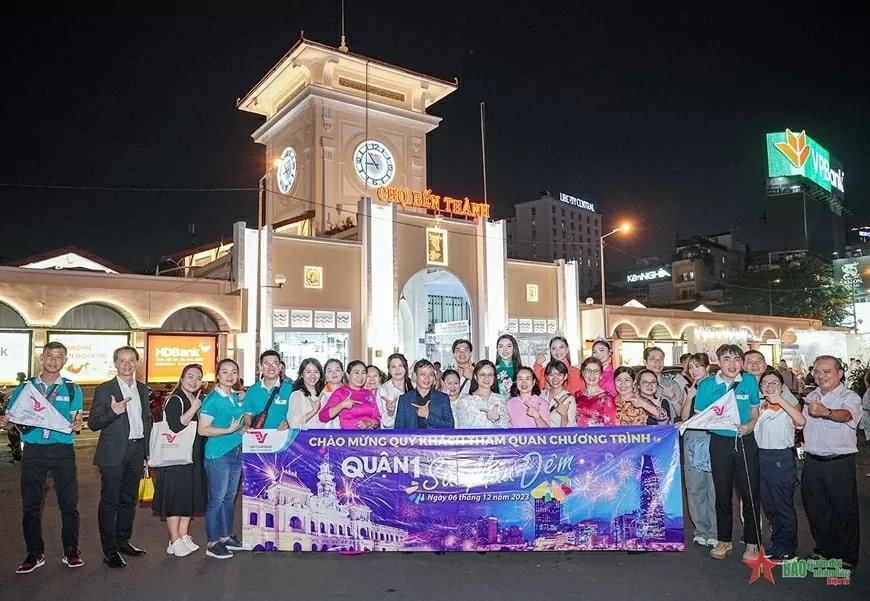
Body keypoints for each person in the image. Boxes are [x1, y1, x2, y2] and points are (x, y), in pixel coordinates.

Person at [1, 342, 84, 574]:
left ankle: (71, 551)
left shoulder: (71, 389)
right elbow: (10, 415)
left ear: (65, 361)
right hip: (34, 450)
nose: (54, 360)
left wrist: (77, 423)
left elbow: (76, 419)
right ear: (41, 358)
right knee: (31, 505)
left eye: (59, 356)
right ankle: (34, 554)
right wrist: (4, 421)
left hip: (62, 450)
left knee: (69, 504)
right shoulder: (26, 387)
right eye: (49, 355)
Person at [694, 344, 762, 562]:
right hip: (719, 443)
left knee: (749, 492)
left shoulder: (749, 381)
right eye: (726, 359)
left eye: (736, 359)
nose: (732, 364)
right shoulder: (706, 385)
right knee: (722, 493)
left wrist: (751, 424)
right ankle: (724, 540)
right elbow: (701, 415)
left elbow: (754, 408)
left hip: (744, 441)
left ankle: (753, 543)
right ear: (719, 361)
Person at [88, 346, 152, 569]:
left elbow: (147, 420)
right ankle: (110, 550)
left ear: (137, 363)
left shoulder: (142, 389)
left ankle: (123, 541)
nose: (127, 365)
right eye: (122, 361)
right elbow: (93, 423)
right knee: (110, 502)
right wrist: (113, 412)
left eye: (131, 360)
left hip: (136, 451)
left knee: (129, 500)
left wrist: (148, 451)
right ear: (115, 363)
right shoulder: (105, 389)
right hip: (113, 454)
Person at [801, 356, 862, 571]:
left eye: (827, 371)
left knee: (844, 511)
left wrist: (826, 412)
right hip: (812, 462)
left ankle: (847, 557)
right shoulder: (811, 396)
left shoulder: (849, 396)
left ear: (840, 373)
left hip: (838, 463)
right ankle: (825, 551)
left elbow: (847, 415)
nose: (821, 376)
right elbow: (801, 424)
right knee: (817, 510)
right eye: (817, 371)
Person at [151, 363, 207, 558]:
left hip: (191, 457)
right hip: (175, 458)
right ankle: (173, 539)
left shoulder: (197, 398)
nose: (194, 381)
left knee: (186, 497)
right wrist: (194, 409)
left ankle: (183, 535)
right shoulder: (176, 399)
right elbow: (176, 426)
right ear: (182, 379)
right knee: (175, 499)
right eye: (190, 376)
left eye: (198, 378)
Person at [755, 369, 805, 561]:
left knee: (783, 505)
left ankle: (788, 549)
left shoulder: (787, 406)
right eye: (765, 384)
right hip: (762, 457)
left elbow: (801, 422)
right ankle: (778, 544)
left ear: (782, 386)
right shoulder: (761, 406)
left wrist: (781, 401)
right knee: (770, 505)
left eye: (774, 383)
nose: (769, 387)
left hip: (780, 459)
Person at [198, 359, 246, 559]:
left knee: (229, 497)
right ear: (217, 375)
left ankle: (226, 536)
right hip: (218, 455)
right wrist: (228, 430)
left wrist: (242, 428)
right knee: (217, 498)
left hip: (236, 452)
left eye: (233, 372)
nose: (229, 375)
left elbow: (243, 418)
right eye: (225, 372)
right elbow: (202, 429)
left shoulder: (237, 396)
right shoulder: (212, 400)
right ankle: (213, 541)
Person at [318, 361, 381, 429]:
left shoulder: (369, 393)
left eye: (363, 373)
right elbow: (322, 416)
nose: (360, 376)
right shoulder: (341, 392)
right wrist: (342, 405)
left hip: (369, 438)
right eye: (356, 372)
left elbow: (378, 418)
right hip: (348, 437)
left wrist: (369, 422)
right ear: (348, 375)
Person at [395, 360, 454, 430]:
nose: (427, 378)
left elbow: (450, 426)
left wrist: (428, 416)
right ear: (415, 376)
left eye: (431, 374)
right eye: (423, 374)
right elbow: (398, 431)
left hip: (435, 440)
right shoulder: (404, 399)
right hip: (412, 440)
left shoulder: (443, 398)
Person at [243, 351, 293, 430]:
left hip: (284, 438)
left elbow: (297, 413)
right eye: (266, 364)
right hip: (258, 438)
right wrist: (246, 425)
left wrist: (289, 422)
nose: (271, 367)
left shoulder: (291, 389)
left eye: (274, 363)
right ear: (261, 367)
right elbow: (247, 415)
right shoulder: (252, 390)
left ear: (280, 367)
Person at [453, 360, 509, 429]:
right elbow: (461, 428)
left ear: (494, 378)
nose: (486, 378)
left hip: (497, 439)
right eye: (482, 375)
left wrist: (497, 418)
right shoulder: (465, 401)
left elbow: (507, 427)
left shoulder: (501, 399)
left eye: (490, 375)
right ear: (475, 377)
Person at [574, 357, 617, 427]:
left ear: (601, 375)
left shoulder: (607, 398)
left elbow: (611, 426)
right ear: (583, 373)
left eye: (596, 371)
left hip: (598, 437)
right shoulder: (577, 395)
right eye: (588, 370)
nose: (592, 374)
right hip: (578, 436)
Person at [286, 358, 327, 429]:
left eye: (316, 372)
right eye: (308, 372)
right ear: (302, 374)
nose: (313, 375)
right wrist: (313, 411)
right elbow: (293, 424)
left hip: (322, 438)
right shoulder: (297, 395)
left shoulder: (323, 394)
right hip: (304, 438)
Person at [644, 347, 685, 417]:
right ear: (645, 362)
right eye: (653, 359)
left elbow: (681, 414)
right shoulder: (637, 385)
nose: (658, 362)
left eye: (661, 359)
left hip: (668, 426)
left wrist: (672, 396)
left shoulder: (672, 384)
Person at [375, 354, 412, 429]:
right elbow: (385, 423)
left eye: (400, 366)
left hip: (413, 433)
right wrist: (390, 412)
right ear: (389, 370)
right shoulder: (383, 390)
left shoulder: (414, 386)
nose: (397, 370)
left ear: (406, 367)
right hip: (393, 436)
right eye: (393, 367)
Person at [540, 360, 576, 428]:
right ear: (546, 377)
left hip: (558, 437)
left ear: (565, 376)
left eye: (559, 374)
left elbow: (569, 431)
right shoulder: (541, 395)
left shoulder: (569, 400)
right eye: (551, 375)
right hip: (541, 437)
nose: (555, 378)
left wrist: (564, 415)